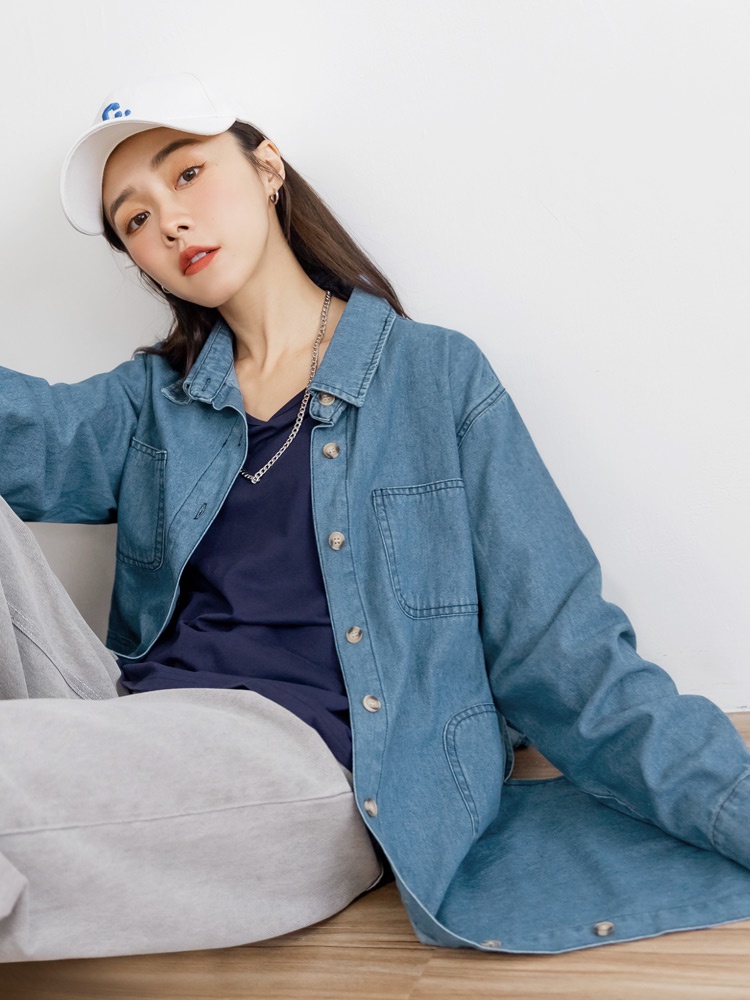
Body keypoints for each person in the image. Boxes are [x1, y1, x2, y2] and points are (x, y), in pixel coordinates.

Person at [0, 71, 748, 964]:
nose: (168, 222)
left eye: (188, 173)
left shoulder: (435, 378)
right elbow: (24, 436)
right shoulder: (154, 400)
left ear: (267, 167)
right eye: (134, 220)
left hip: (298, 759)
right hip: (128, 718)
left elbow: (569, 655)